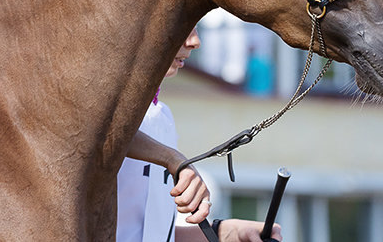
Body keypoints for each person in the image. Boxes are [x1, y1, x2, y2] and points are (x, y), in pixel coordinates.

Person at [118, 28, 282, 242]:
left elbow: (151, 235)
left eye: (196, 27)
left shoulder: (164, 116)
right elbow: (109, 134)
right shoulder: (89, 112)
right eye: (184, 25)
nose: (195, 41)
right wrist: (173, 159)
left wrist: (229, 232)